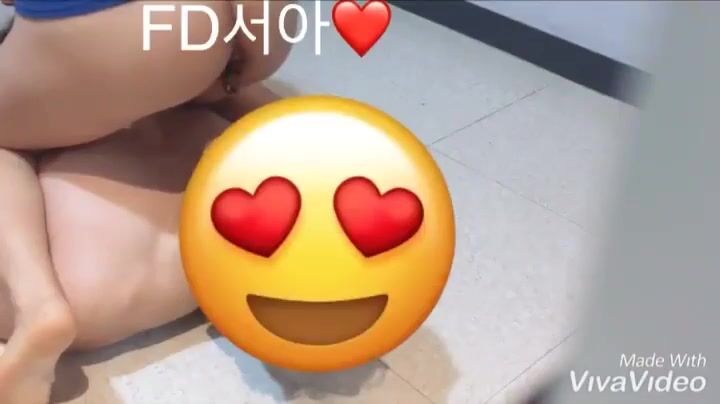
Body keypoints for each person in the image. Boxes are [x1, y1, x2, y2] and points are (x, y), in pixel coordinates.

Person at [0, 2, 295, 403]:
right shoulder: (197, 102)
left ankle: (36, 305)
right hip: (229, 253)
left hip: (89, 298)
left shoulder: (59, 110)